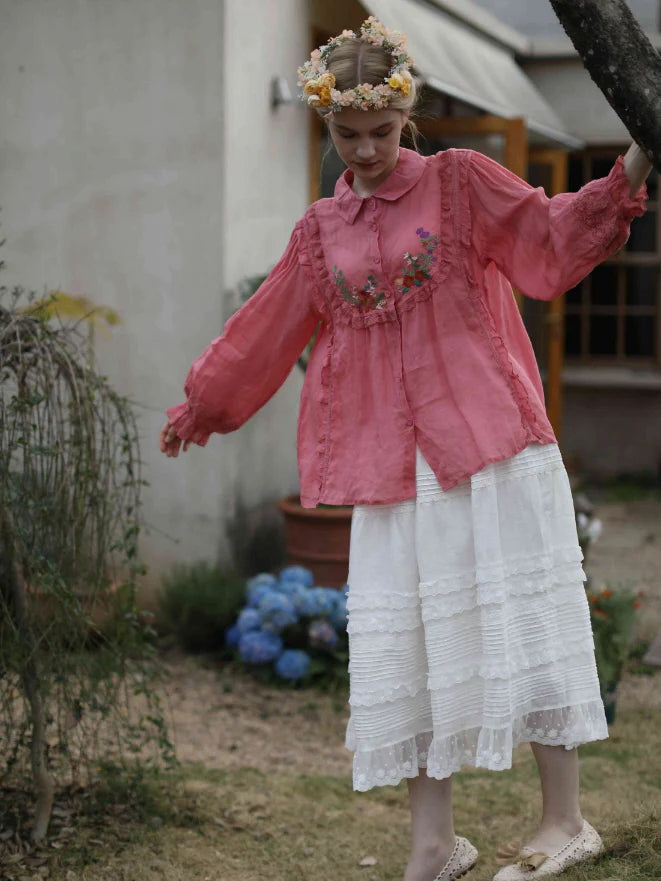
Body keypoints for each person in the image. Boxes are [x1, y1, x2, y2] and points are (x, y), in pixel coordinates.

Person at [160, 18, 651, 881]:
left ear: (405, 115)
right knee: (413, 646)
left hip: (490, 440)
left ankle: (564, 819)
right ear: (328, 128)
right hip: (389, 468)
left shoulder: (460, 184)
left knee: (523, 620)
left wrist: (637, 163)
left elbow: (546, 240)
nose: (365, 151)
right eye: (347, 137)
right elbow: (265, 329)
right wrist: (203, 403)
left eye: (380, 132)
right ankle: (433, 841)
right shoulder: (321, 232)